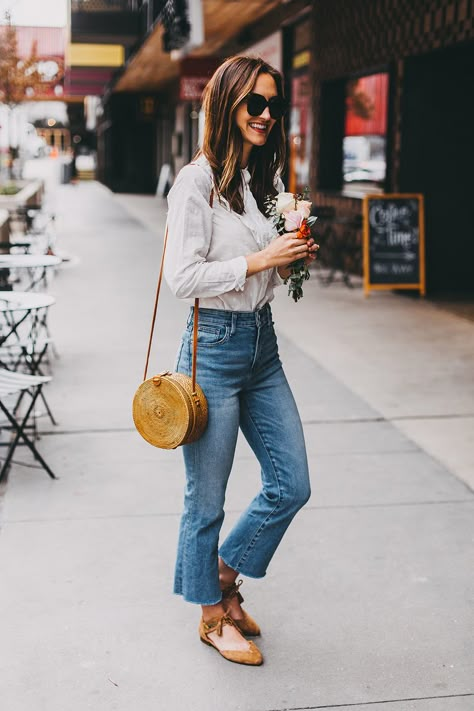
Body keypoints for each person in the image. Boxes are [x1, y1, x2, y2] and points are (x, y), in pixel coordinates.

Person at [164, 55, 317, 666]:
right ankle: (209, 617)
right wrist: (259, 260)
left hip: (262, 344)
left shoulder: (263, 184)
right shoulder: (194, 183)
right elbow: (182, 276)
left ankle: (222, 580)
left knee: (292, 484)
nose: (265, 115)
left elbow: (265, 269)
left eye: (274, 105)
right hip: (213, 351)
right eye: (255, 102)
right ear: (225, 104)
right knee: (207, 499)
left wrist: (292, 255)